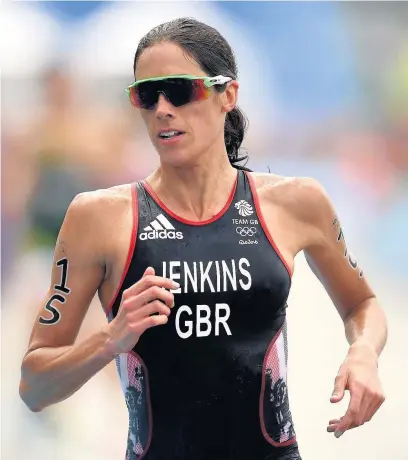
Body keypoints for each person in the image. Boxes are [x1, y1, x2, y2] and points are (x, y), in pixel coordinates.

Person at [19, 17, 387, 460]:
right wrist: (111, 340)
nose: (162, 109)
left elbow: (362, 304)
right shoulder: (98, 218)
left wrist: (364, 352)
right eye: (146, 95)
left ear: (227, 95)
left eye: (179, 90)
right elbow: (34, 387)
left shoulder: (296, 203)